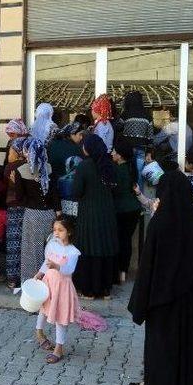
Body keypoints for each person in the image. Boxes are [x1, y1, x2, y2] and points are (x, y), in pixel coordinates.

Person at [127, 170, 193, 385]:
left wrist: (140, 303)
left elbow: (147, 267)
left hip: (161, 300)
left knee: (162, 344)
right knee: (188, 342)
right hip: (189, 300)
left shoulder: (159, 224)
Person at [72, 135, 119, 299]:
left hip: (89, 214)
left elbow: (76, 191)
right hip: (107, 213)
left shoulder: (84, 166)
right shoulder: (110, 165)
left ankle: (88, 290)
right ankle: (105, 289)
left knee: (88, 249)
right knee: (104, 248)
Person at [34, 215, 81, 364]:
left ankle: (59, 348)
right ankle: (39, 332)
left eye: (60, 230)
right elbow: (46, 262)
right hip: (49, 282)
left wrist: (57, 266)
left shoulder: (73, 252)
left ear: (70, 232)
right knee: (43, 308)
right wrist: (39, 274)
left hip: (62, 287)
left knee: (60, 317)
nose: (56, 233)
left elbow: (69, 269)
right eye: (54, 229)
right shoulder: (52, 244)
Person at [13, 138, 60, 284]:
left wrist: (15, 183)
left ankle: (31, 282)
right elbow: (55, 194)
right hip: (50, 215)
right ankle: (50, 282)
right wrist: (58, 212)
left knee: (32, 251)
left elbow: (19, 198)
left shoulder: (21, 170)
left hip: (32, 215)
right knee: (50, 250)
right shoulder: (50, 169)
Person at [112, 140, 141, 284]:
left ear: (120, 155)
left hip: (121, 210)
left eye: (114, 151)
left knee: (118, 241)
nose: (112, 153)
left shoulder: (116, 170)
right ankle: (123, 272)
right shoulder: (132, 168)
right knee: (126, 241)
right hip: (133, 209)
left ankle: (118, 272)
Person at [4, 137, 28, 289]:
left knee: (13, 244)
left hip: (13, 208)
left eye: (10, 151)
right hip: (27, 208)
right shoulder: (28, 166)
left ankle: (13, 279)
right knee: (25, 243)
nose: (8, 154)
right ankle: (26, 276)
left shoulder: (10, 168)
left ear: (18, 153)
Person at [120, 91, 154, 186]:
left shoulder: (126, 114)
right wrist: (149, 152)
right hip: (141, 149)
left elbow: (118, 128)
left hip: (127, 149)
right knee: (139, 175)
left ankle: (127, 196)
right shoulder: (147, 115)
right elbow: (150, 136)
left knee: (127, 173)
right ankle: (139, 197)